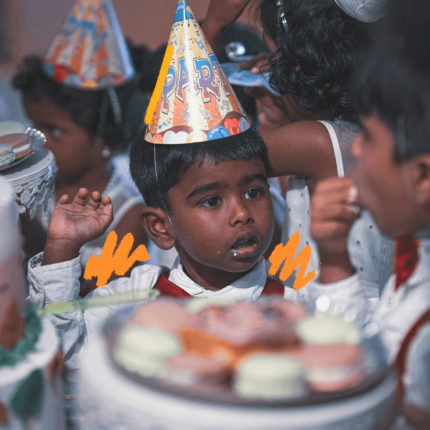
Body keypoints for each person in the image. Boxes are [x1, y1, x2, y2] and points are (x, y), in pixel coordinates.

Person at [27, 0, 285, 369]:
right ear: (161, 228)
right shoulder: (134, 298)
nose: (243, 213)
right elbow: (61, 355)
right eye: (212, 201)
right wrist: (60, 251)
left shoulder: (291, 304)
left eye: (254, 192)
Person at [202, 0, 393, 299]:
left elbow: (202, 155)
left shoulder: (316, 142)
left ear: (299, 63)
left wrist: (211, 29)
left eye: (276, 56)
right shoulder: (372, 133)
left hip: (337, 317)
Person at [308, 1, 430, 426]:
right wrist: (336, 258)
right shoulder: (415, 255)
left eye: (371, 139)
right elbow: (364, 353)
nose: (356, 148)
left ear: (422, 176)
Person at [13, 1, 147, 293]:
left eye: (55, 130)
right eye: (34, 124)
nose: (37, 138)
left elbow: (88, 290)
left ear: (107, 139)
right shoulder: (38, 192)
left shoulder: (128, 216)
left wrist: (41, 241)